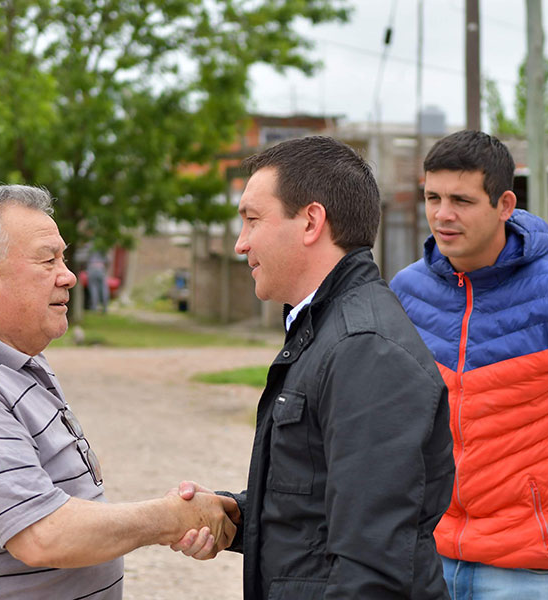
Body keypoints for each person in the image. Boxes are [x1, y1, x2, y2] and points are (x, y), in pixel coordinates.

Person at [0, 185, 236, 598]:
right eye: (47, 259)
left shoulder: (10, 361)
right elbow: (42, 534)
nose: (68, 275)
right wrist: (171, 518)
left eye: (64, 258)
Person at [172, 136, 455, 599]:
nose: (241, 244)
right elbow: (324, 504)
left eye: (252, 220)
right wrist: (237, 516)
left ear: (310, 222)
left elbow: (372, 567)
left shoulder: (365, 349)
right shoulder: (326, 329)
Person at [389, 130, 548, 599]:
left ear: (504, 204)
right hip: (426, 551)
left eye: (462, 200)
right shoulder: (406, 292)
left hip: (528, 566)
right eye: (433, 197)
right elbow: (388, 415)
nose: (443, 214)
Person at [86, 246, 111, 313]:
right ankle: (105, 307)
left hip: (91, 269)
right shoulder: (102, 245)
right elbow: (108, 260)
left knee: (93, 289)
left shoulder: (89, 246)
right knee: (104, 288)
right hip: (101, 269)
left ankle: (94, 307)